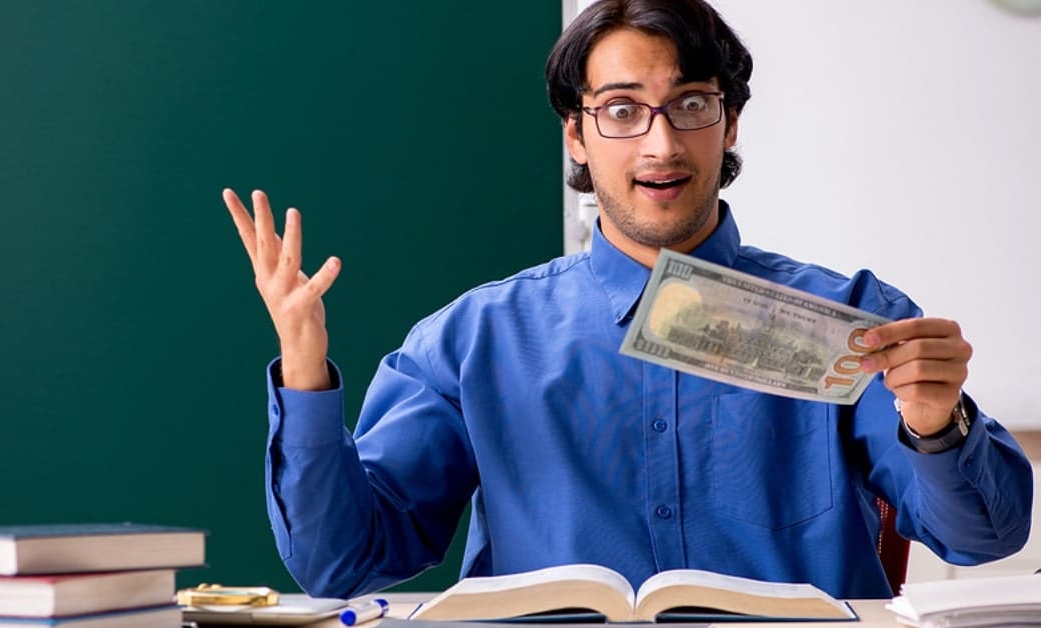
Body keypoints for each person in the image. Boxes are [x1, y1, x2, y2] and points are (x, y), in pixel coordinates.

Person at [222, 0, 1033, 600]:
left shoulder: (855, 316)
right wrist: (302, 366)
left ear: (731, 122)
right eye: (620, 110)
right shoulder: (475, 340)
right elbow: (343, 563)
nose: (661, 142)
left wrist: (938, 423)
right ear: (575, 135)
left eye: (691, 104)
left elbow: (985, 537)